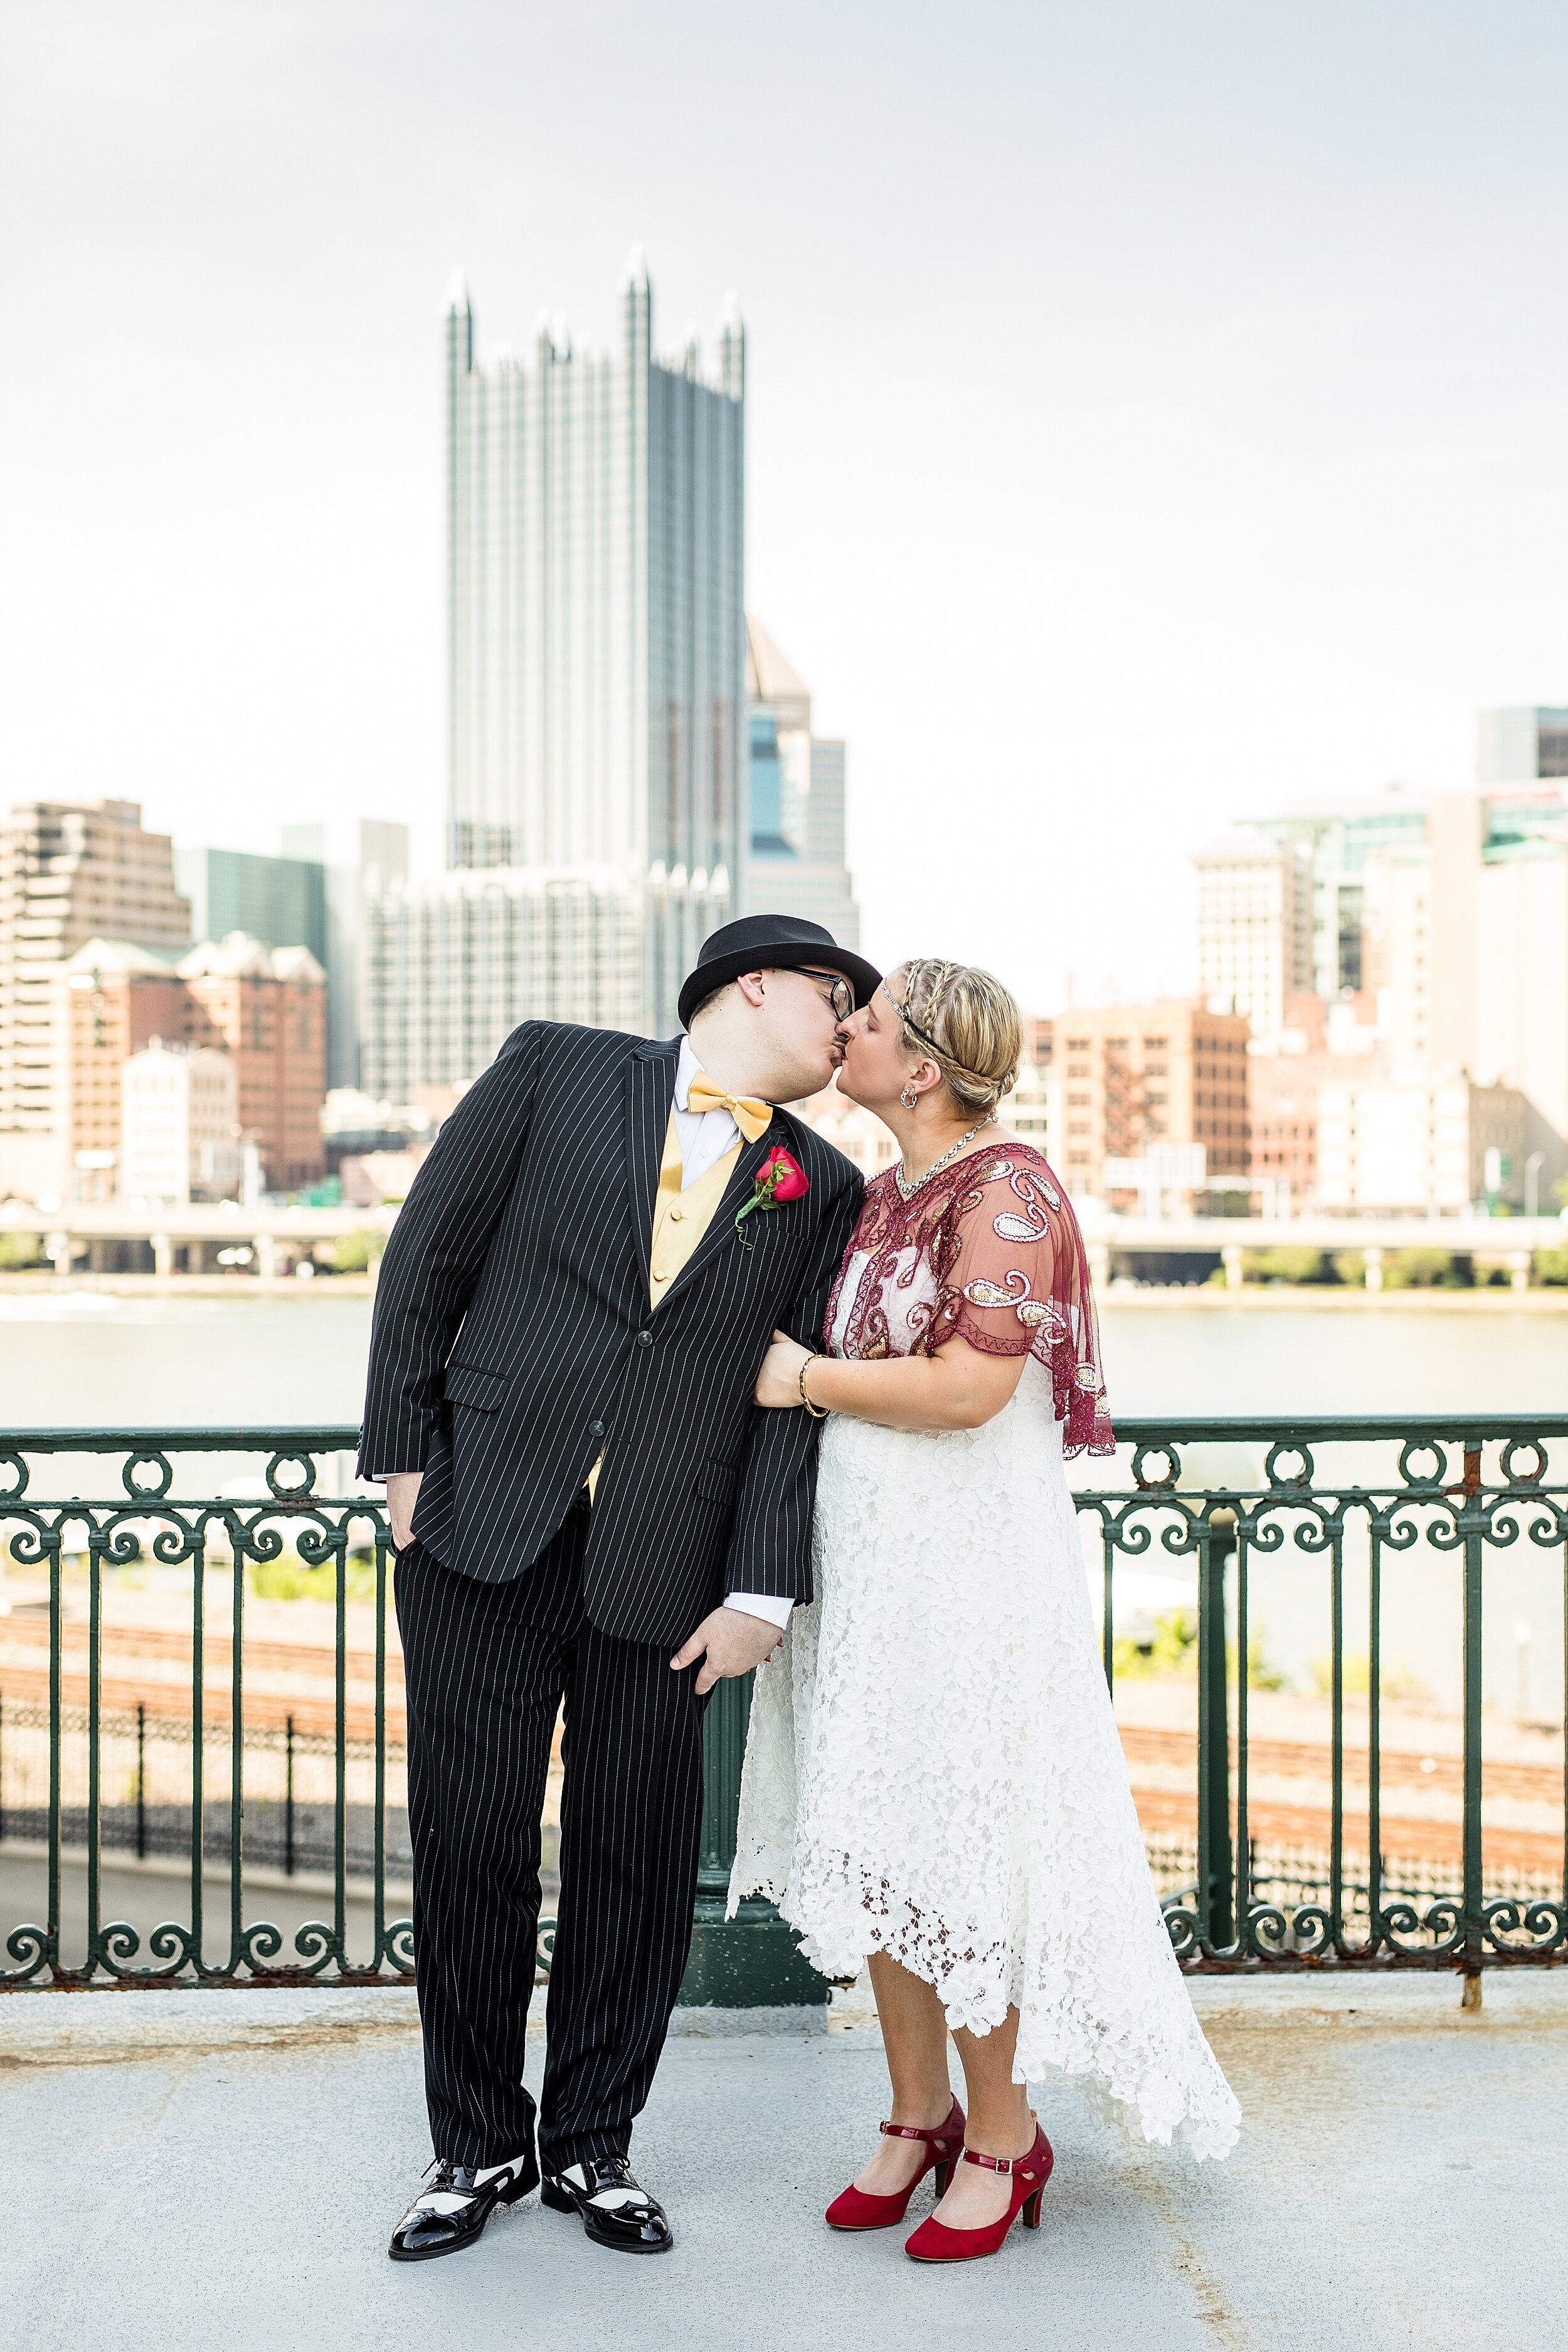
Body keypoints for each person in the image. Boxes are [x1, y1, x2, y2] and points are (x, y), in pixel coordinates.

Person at [361, 913, 876, 2262]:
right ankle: (471, 2147)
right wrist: (403, 1463)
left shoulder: (820, 1184)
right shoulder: (554, 1067)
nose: (847, 1026)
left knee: (634, 1865)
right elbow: (427, 1263)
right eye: (837, 998)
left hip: (668, 1565)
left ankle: (595, 2148)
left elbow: (785, 1404)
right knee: (467, 1844)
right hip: (480, 1525)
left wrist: (761, 1590)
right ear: (753, 985)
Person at [733, 957, 1240, 2266]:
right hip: (870, 1568)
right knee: (886, 1846)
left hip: (963, 1577)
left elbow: (966, 1390)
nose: (844, 1027)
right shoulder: (874, 1192)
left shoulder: (1006, 1190)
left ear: (923, 1068)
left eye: (871, 1020)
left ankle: (1005, 2135)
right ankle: (915, 2116)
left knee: (962, 1850)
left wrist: (802, 1382)